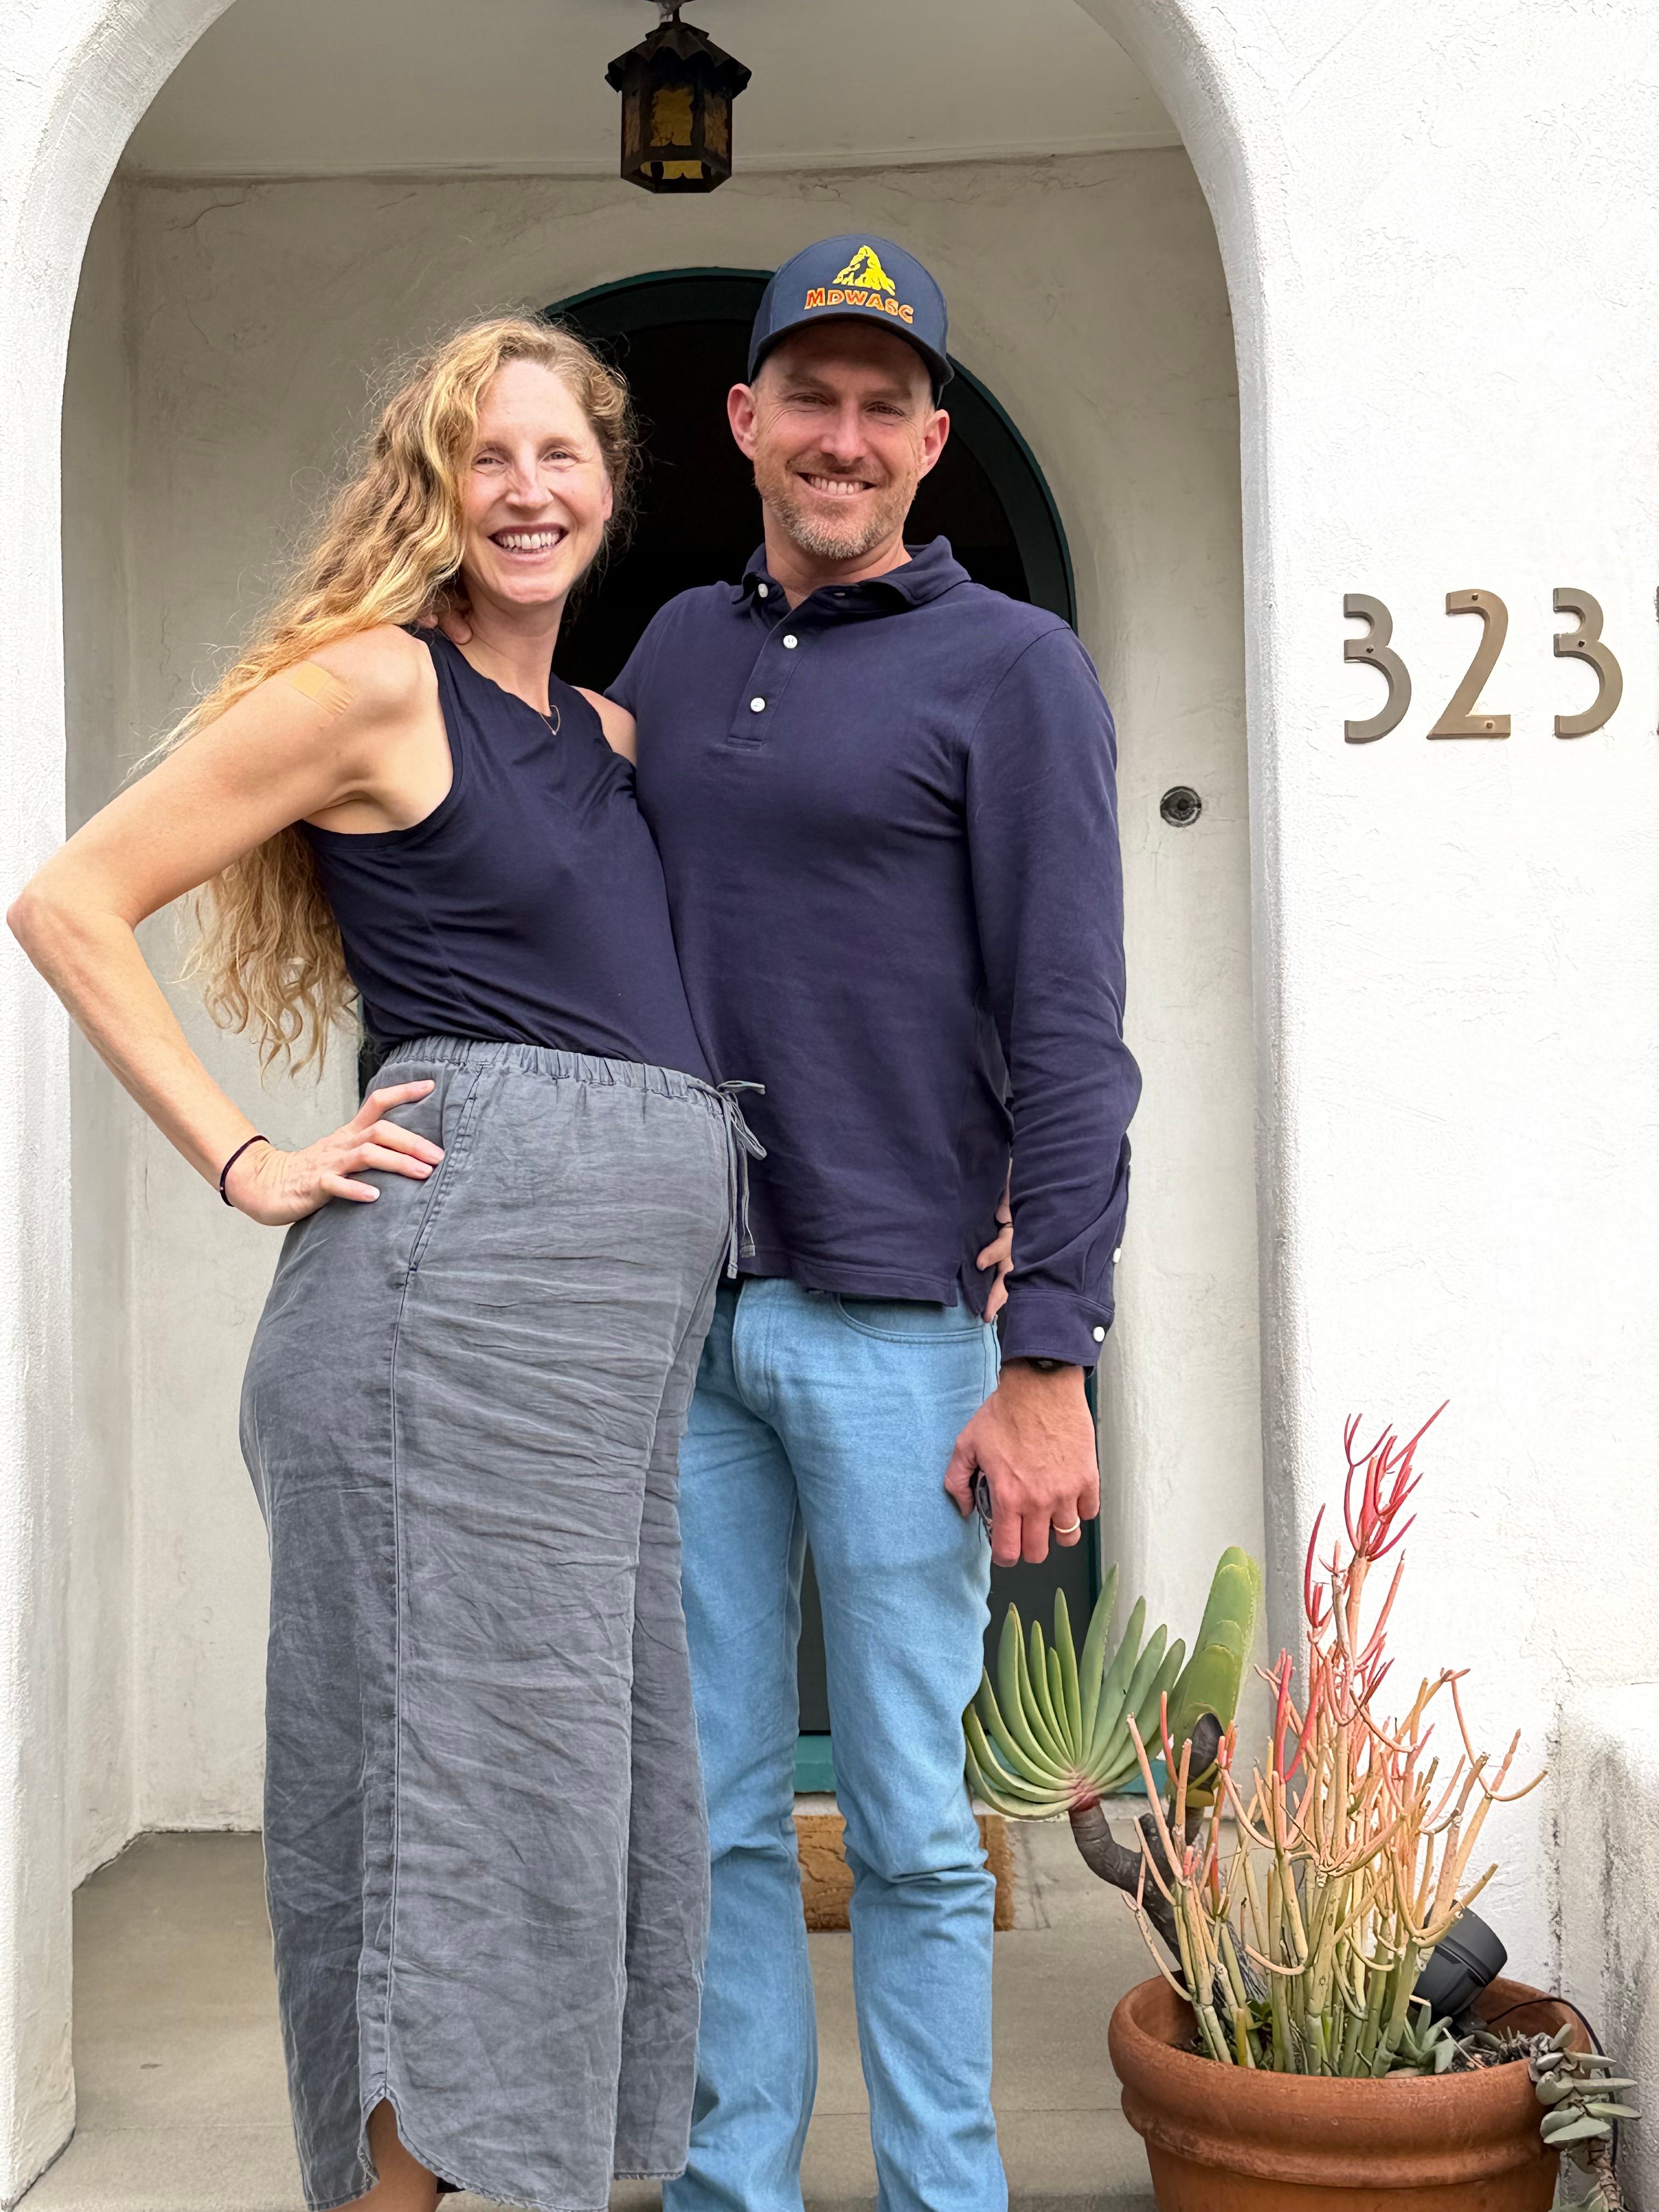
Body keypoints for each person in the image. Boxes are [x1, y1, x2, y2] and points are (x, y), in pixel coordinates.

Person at [8, 317, 755, 2212]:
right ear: (431, 489)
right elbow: (69, 897)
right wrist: (247, 1155)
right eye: (484, 459)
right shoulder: (372, 689)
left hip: (596, 1360)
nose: (527, 493)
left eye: (560, 458)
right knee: (451, 1807)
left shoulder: (608, 737)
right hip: (447, 1326)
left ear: (610, 487)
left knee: (584, 1802)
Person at [613, 238, 1141, 2212]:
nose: (842, 438)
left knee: (916, 1828)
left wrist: (1050, 1355)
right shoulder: (666, 647)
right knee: (721, 1813)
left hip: (902, 1322)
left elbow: (1075, 1032)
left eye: (881, 406)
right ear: (743, 423)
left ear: (928, 444)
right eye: (805, 398)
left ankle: (944, 2195)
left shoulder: (1015, 671)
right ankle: (729, 2185)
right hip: (682, 1318)